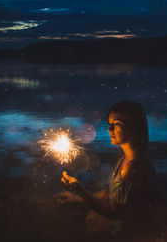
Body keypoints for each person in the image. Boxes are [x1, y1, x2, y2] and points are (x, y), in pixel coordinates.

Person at [55, 101, 160, 239]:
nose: (109, 129)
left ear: (133, 127)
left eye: (116, 124)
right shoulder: (125, 159)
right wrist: (77, 198)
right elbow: (112, 194)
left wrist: (80, 191)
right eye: (109, 124)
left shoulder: (132, 167)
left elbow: (113, 211)